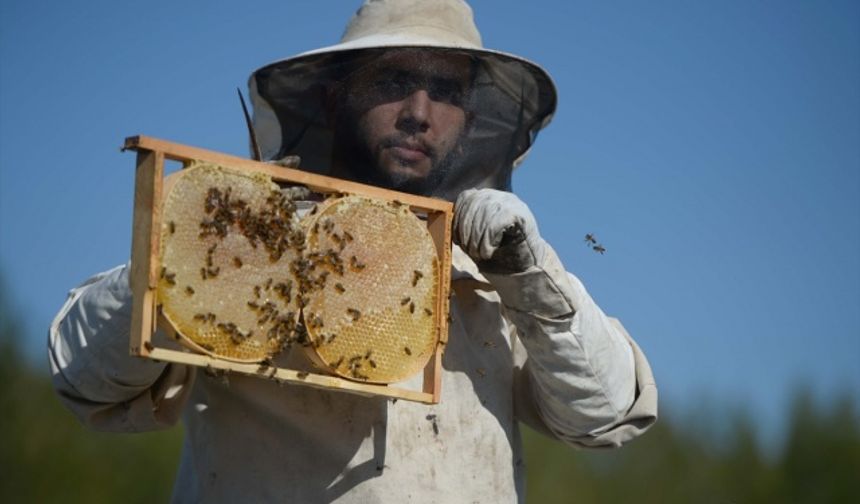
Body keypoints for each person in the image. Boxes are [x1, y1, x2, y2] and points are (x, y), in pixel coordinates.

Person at [49, 1, 657, 502]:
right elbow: (85, 382)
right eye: (394, 81)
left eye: (445, 91)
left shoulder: (492, 277)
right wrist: (177, 258)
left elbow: (601, 417)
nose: (419, 112)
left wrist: (529, 272)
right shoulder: (250, 248)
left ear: (470, 119)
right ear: (339, 96)